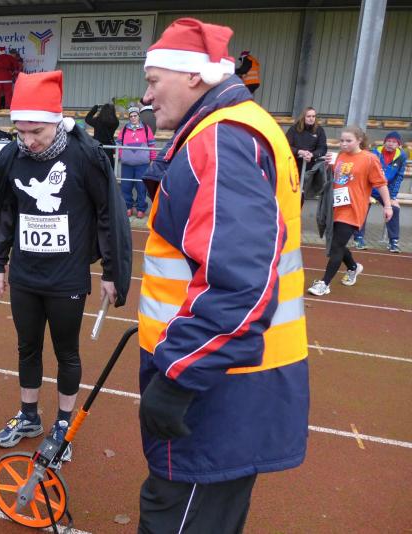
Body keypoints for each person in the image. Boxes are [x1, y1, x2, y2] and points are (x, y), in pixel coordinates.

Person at [137, 18, 309, 533]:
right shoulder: (241, 126)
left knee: (179, 516)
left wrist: (178, 375)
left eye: (153, 80)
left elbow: (238, 281)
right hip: (231, 373)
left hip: (214, 384)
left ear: (193, 76)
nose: (146, 96)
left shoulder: (220, 139)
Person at [0, 71, 132, 464]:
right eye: (21, 131)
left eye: (37, 131)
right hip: (26, 275)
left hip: (67, 277)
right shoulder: (12, 157)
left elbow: (107, 214)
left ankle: (63, 425)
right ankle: (29, 416)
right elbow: (6, 212)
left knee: (67, 352)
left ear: (56, 122)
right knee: (27, 347)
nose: (28, 140)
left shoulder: (85, 156)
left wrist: (111, 272)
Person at [308, 127, 392, 295]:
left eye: (348, 141)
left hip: (354, 209)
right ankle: (353, 267)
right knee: (336, 244)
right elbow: (335, 179)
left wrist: (388, 206)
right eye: (341, 141)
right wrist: (327, 166)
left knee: (337, 246)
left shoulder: (369, 159)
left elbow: (381, 184)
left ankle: (324, 284)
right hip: (336, 208)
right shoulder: (340, 156)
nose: (344, 144)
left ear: (359, 140)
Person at [352, 131, 406, 252]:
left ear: (399, 145)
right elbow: (364, 173)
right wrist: (366, 193)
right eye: (388, 141)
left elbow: (399, 177)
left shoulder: (402, 156)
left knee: (394, 208)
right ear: (384, 142)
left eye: (394, 142)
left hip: (384, 190)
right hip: (369, 188)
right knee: (363, 205)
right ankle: (358, 238)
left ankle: (393, 242)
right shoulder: (374, 153)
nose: (390, 144)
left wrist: (392, 197)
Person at [117, 106, 155, 218]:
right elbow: (118, 143)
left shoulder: (146, 129)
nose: (133, 118)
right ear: (129, 118)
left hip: (142, 164)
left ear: (139, 116)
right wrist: (122, 155)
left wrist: (152, 159)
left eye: (135, 115)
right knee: (126, 186)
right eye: (131, 116)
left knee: (141, 187)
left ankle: (141, 208)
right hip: (127, 165)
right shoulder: (124, 129)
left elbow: (152, 145)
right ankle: (127, 207)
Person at [286, 106, 328, 201]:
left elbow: (322, 148)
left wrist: (312, 154)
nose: (311, 118)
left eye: (313, 116)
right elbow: (286, 145)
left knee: (303, 193)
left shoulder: (319, 130)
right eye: (308, 116)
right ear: (303, 117)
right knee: (292, 192)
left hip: (310, 166)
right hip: (294, 165)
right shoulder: (294, 129)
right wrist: (299, 151)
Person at [0, 46, 17, 111]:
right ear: (5, 51)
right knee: (8, 94)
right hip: (7, 79)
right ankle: (8, 108)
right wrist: (12, 71)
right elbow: (16, 65)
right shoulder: (9, 57)